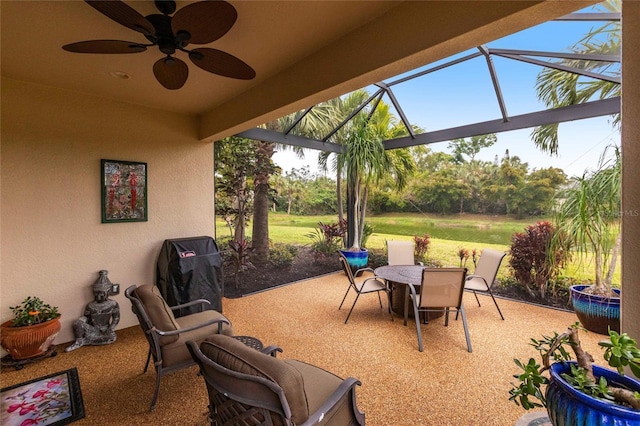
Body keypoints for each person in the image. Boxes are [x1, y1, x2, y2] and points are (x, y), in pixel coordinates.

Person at [65, 270, 120, 352]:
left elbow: (116, 318)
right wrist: (81, 321)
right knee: (77, 323)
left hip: (105, 330)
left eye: (101, 293)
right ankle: (79, 341)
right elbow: (87, 318)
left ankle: (87, 340)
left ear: (107, 292)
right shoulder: (90, 305)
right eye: (96, 293)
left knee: (111, 337)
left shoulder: (113, 304)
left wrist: (111, 328)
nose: (98, 296)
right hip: (93, 329)